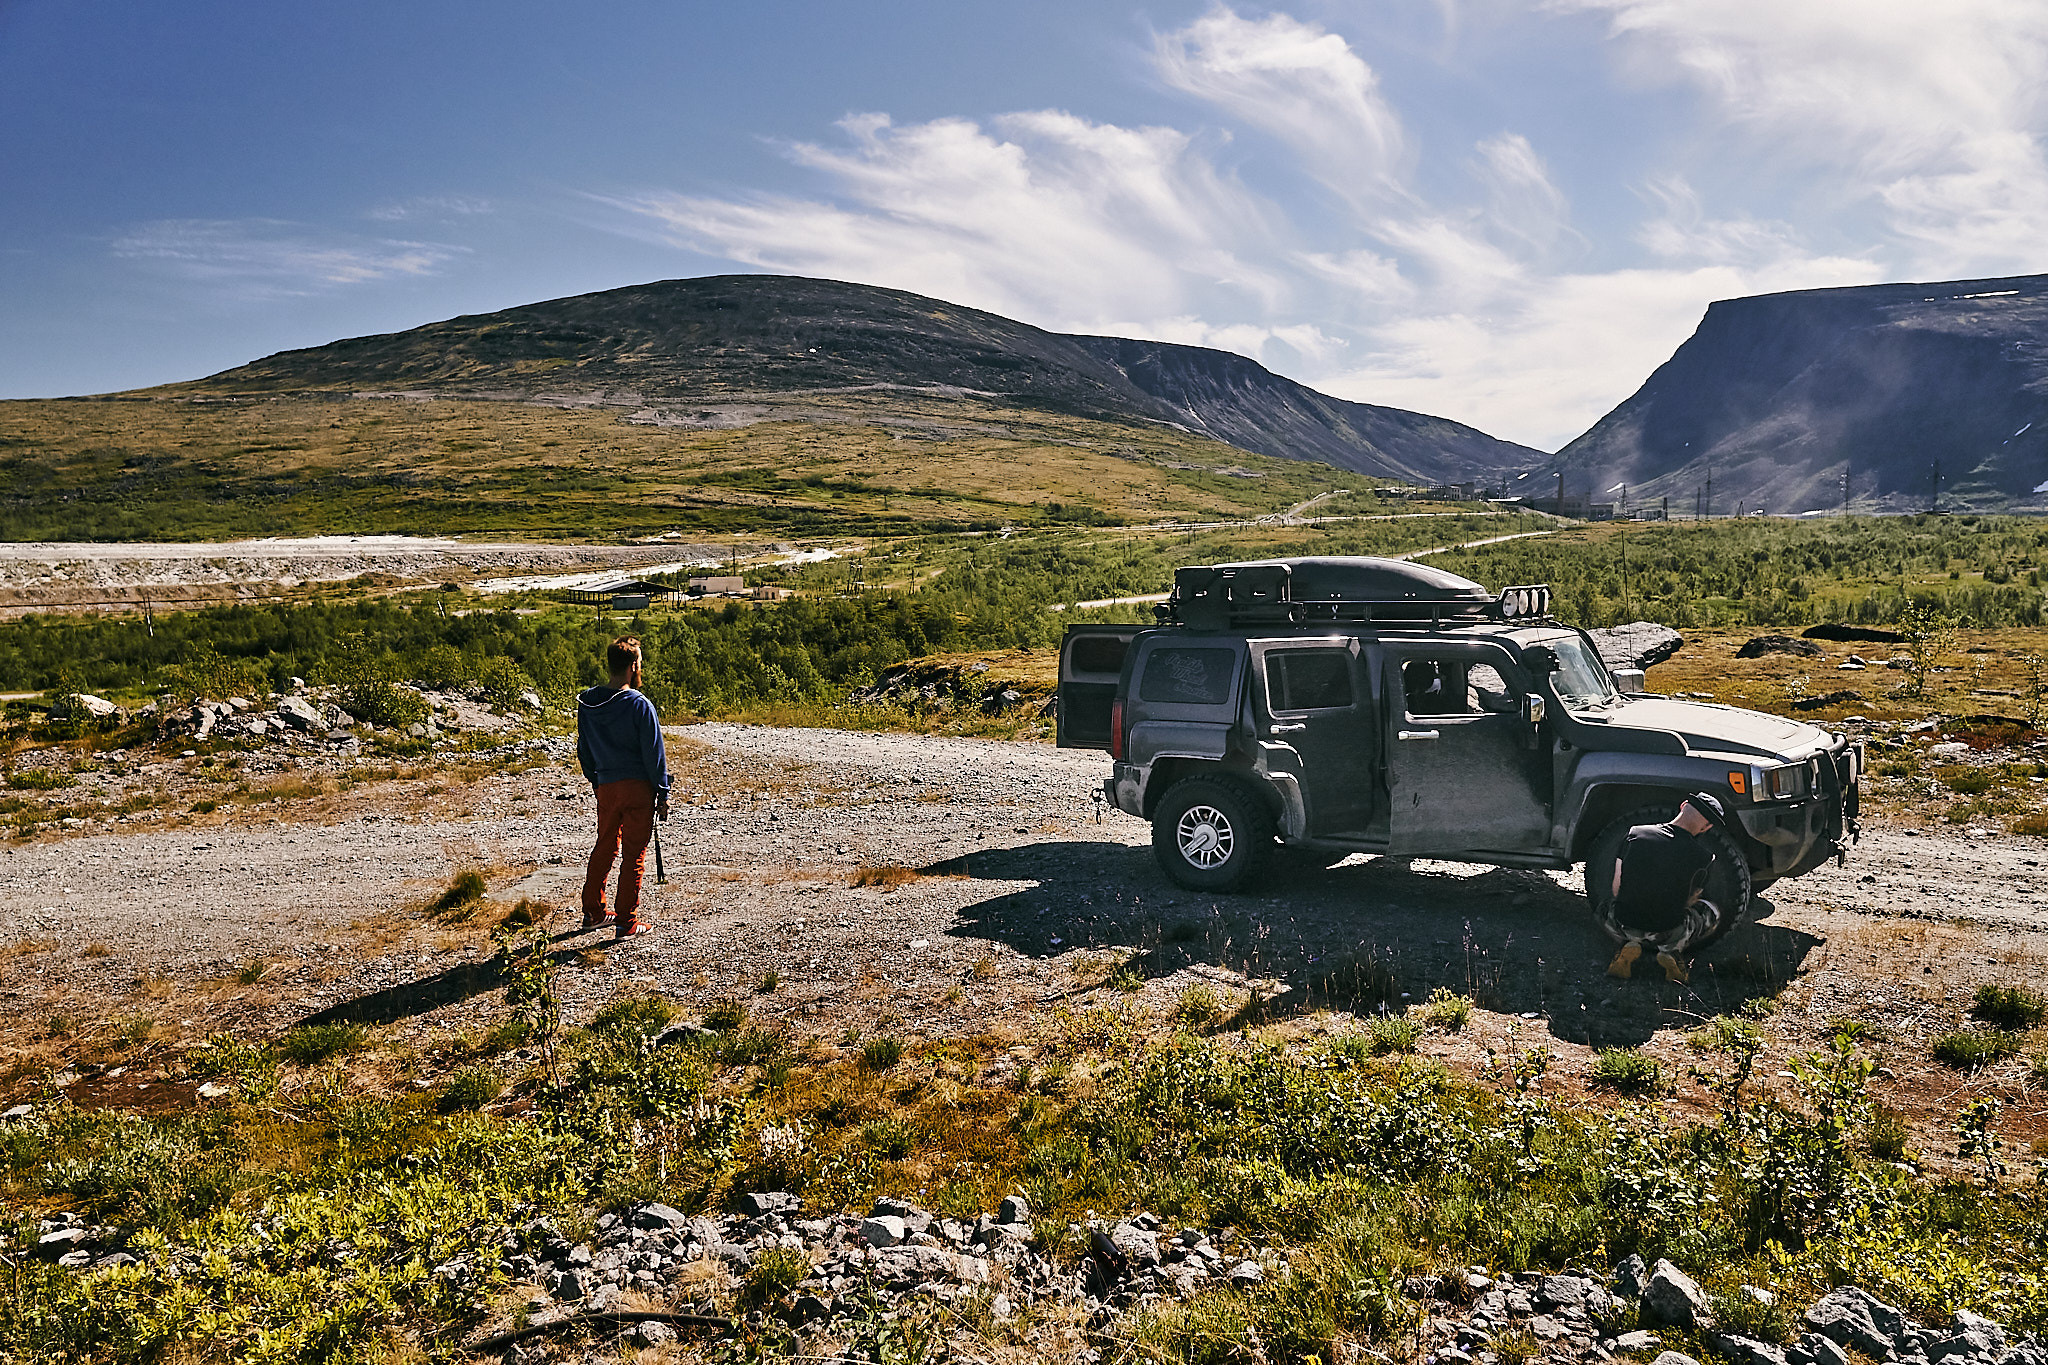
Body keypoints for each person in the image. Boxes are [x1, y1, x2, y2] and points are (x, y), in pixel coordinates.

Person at [577, 636, 670, 938]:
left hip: (606, 786)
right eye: (639, 663)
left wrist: (596, 780)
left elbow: (584, 750)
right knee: (633, 855)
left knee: (604, 846)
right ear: (633, 666)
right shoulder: (639, 705)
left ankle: (594, 912)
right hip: (637, 789)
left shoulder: (588, 703)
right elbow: (654, 754)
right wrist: (663, 792)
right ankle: (626, 922)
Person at [1600, 792, 1732, 983]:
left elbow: (1616, 888)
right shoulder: (1704, 858)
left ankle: (1628, 943)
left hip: (1624, 922)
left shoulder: (1635, 833)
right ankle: (1671, 950)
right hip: (1667, 929)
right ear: (1707, 827)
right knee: (1712, 912)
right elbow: (1689, 901)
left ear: (1683, 805)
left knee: (1605, 908)